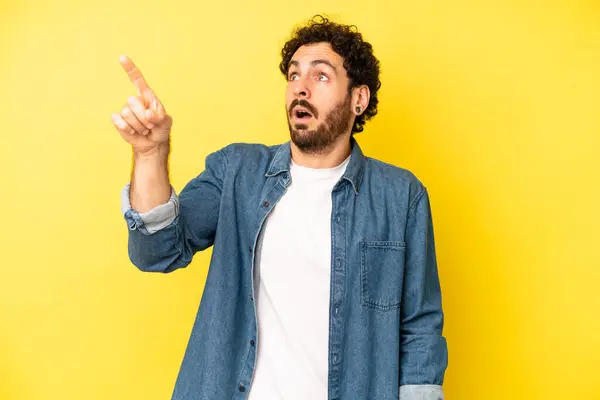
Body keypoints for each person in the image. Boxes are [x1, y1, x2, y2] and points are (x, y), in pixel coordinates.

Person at [112, 15, 448, 400]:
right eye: (293, 75)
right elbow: (155, 251)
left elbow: (419, 326)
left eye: (320, 76)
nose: (300, 89)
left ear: (359, 99)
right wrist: (151, 153)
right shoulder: (237, 172)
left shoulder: (401, 197)